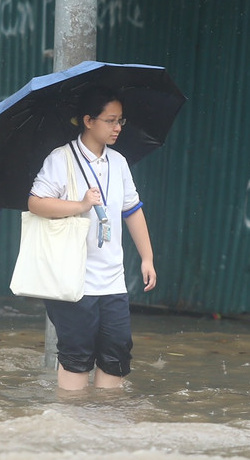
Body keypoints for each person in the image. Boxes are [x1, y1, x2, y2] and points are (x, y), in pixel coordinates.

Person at [27, 87, 157, 390]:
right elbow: (35, 202)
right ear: (88, 120)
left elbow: (132, 210)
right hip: (72, 279)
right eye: (110, 120)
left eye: (120, 121)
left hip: (112, 277)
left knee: (117, 351)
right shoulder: (61, 159)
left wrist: (148, 258)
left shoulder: (119, 162)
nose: (117, 128)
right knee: (77, 352)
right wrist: (81, 206)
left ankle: (107, 427)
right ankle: (73, 428)